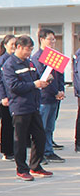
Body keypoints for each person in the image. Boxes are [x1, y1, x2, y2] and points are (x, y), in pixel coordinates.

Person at [2, 35, 52, 181]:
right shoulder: (9, 65)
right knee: (21, 140)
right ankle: (21, 169)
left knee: (39, 136)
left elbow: (36, 77)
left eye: (31, 49)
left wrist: (45, 80)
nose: (29, 52)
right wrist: (34, 85)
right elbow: (13, 87)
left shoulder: (29, 63)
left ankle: (35, 166)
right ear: (18, 47)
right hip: (20, 107)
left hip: (33, 105)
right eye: (27, 49)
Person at [32, 29, 66, 165]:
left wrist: (61, 90)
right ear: (41, 40)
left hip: (54, 98)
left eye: (54, 39)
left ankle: (48, 150)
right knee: (42, 127)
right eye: (50, 39)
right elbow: (44, 78)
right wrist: (54, 91)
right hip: (44, 97)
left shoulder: (55, 55)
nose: (53, 42)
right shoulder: (38, 57)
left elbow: (60, 75)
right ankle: (41, 153)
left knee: (50, 127)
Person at [0, 34, 17, 160]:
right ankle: (7, 151)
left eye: (16, 44)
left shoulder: (17, 59)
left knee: (16, 125)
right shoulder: (1, 60)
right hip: (5, 98)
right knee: (7, 124)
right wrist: (3, 96)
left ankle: (15, 148)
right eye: (11, 44)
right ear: (5, 45)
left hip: (16, 97)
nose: (14, 46)